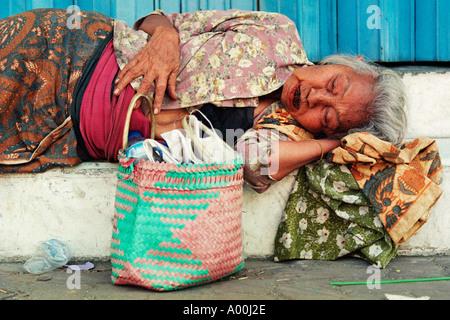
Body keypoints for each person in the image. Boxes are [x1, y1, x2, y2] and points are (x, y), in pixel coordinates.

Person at [0, 8, 407, 193]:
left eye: (328, 117)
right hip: (70, 49)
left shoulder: (281, 132)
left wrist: (334, 144)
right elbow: (157, 20)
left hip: (60, 130)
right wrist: (166, 39)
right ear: (348, 63)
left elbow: (252, 163)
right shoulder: (276, 32)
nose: (313, 97)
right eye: (332, 85)